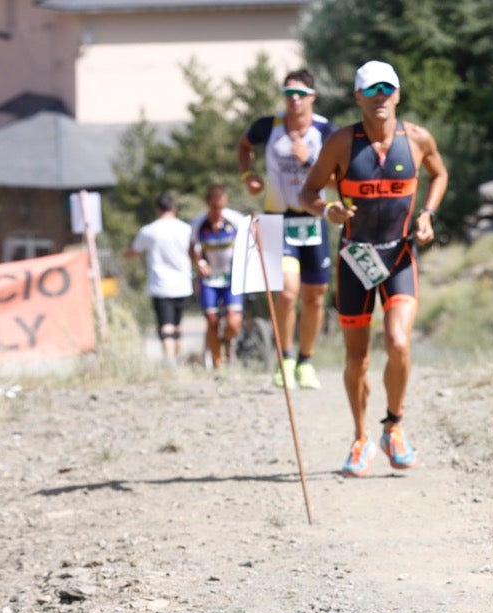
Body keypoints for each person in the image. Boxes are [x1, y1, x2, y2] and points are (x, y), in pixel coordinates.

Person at [299, 60, 448, 477]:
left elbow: (439, 174)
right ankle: (361, 436)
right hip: (355, 260)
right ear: (358, 97)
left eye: (387, 89)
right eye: (371, 90)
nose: (380, 96)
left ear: (398, 94)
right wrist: (326, 207)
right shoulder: (341, 143)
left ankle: (393, 426)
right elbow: (309, 191)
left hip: (399, 255)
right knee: (357, 359)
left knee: (399, 341)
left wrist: (428, 214)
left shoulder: (417, 138)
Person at [237, 68, 336, 390]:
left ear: (312, 96)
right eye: (288, 93)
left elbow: (339, 179)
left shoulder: (325, 130)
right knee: (287, 292)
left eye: (300, 94)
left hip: (314, 219)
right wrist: (248, 176)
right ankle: (286, 358)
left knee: (316, 296)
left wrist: (309, 162)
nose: (293, 100)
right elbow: (243, 146)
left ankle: (306, 360)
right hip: (276, 218)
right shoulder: (269, 126)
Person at [125, 192, 194, 366]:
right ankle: (177, 358)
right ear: (175, 209)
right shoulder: (186, 229)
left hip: (160, 285)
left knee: (166, 324)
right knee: (177, 324)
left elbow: (134, 251)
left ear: (157, 209)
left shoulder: (149, 230)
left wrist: (126, 254)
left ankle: (170, 360)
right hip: (183, 284)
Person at [190, 183, 247, 370]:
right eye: (214, 208)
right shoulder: (199, 223)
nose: (218, 212)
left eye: (221, 207)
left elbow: (249, 242)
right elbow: (192, 249)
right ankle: (218, 363)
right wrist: (199, 264)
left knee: (233, 322)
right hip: (210, 279)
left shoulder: (235, 220)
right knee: (212, 320)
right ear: (208, 204)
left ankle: (228, 340)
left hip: (232, 278)